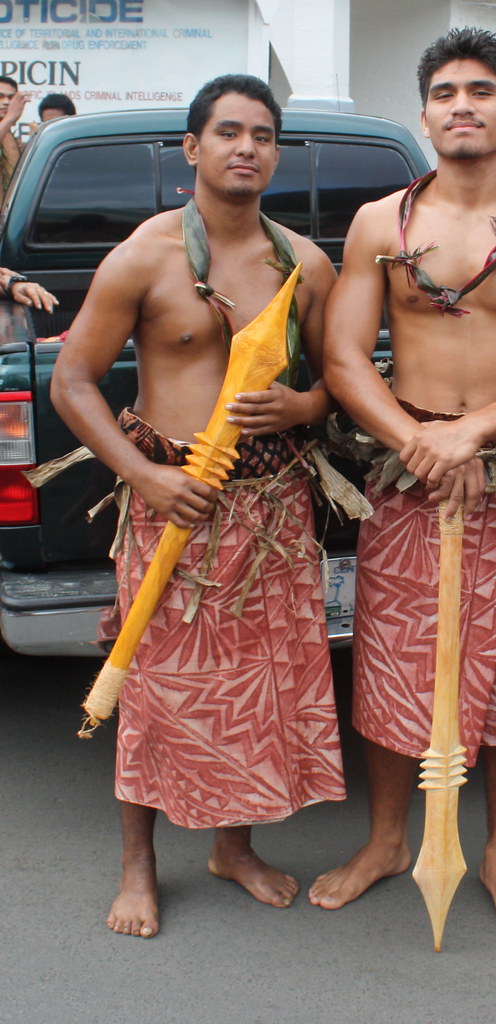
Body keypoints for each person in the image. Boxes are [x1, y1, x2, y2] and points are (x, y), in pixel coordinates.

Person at [314, 26, 496, 937]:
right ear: (427, 112)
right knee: (394, 660)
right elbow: (344, 355)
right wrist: (418, 438)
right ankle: (387, 838)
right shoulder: (381, 224)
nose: (463, 106)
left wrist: (474, 431)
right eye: (445, 93)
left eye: (482, 91)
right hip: (410, 472)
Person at [50, 74, 345, 939]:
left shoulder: (304, 264)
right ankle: (139, 864)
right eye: (227, 132)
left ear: (276, 153)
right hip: (169, 500)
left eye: (261, 134)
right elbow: (72, 383)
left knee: (251, 689)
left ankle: (233, 847)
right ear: (192, 149)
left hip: (271, 507)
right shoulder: (145, 255)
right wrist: (143, 478)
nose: (245, 147)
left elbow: (334, 384)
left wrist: (299, 407)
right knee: (152, 684)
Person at [0, 76, 26, 201]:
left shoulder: (9, 133)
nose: (6, 102)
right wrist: (10, 118)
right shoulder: (6, 124)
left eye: (11, 98)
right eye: (0, 96)